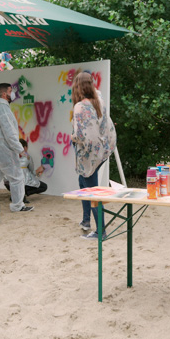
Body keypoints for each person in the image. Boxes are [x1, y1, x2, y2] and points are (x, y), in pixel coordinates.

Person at [72, 71, 117, 239]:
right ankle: (86, 221)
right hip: (102, 150)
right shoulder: (98, 100)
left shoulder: (81, 107)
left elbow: (85, 137)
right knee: (84, 184)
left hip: (90, 154)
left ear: (77, 87)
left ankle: (100, 231)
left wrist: (74, 137)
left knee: (91, 191)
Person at [0, 83, 34, 213]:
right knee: (17, 177)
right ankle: (17, 205)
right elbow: (10, 133)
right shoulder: (3, 108)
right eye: (10, 91)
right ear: (4, 94)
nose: (13, 93)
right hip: (5, 149)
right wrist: (20, 149)